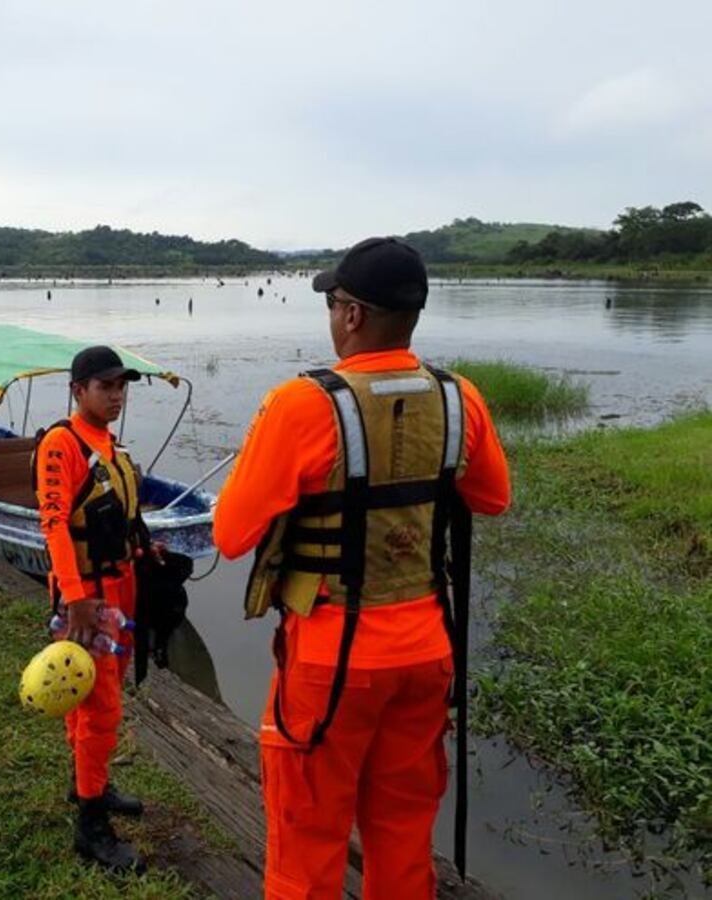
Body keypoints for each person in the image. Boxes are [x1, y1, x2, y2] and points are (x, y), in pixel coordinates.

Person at [213, 237, 511, 899]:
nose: (331, 316)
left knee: (307, 844)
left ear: (352, 316)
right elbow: (493, 497)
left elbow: (231, 535)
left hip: (329, 660)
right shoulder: (461, 400)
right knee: (404, 841)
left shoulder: (300, 404)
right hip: (427, 655)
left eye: (334, 302)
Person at [33, 346, 156, 875]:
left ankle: (89, 783)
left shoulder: (109, 444)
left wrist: (145, 545)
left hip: (121, 583)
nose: (116, 395)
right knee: (101, 706)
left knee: (100, 694)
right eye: (105, 386)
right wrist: (74, 594)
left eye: (121, 387)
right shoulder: (62, 443)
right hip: (89, 594)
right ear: (78, 389)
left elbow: (120, 512)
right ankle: (90, 825)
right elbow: (55, 522)